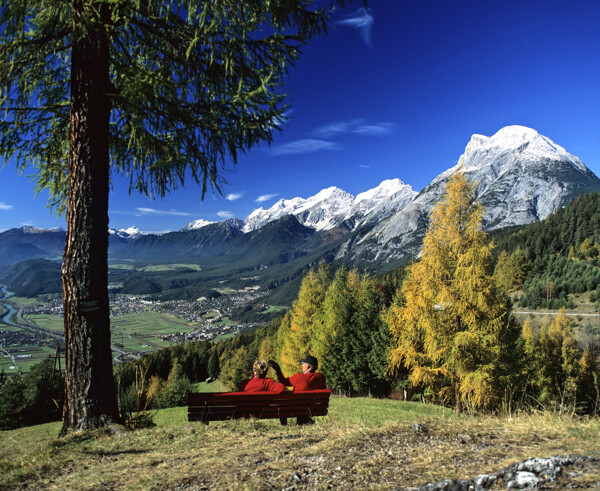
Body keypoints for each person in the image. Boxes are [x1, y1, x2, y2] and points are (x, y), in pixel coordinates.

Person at [268, 355, 326, 425]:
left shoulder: (298, 377)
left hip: (296, 408)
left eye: (302, 364)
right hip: (313, 408)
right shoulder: (321, 377)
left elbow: (282, 381)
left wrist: (278, 370)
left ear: (307, 366)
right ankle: (305, 420)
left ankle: (284, 424)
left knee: (281, 403)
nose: (302, 366)